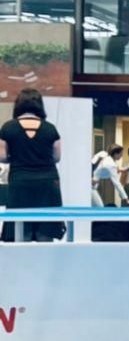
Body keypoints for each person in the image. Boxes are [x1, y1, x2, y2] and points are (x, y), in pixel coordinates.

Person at [0, 88, 64, 242]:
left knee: (21, 230)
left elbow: (1, 156)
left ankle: (23, 265)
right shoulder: (50, 129)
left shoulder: (8, 128)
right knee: (46, 232)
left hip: (20, 182)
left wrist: (17, 158)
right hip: (48, 183)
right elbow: (57, 157)